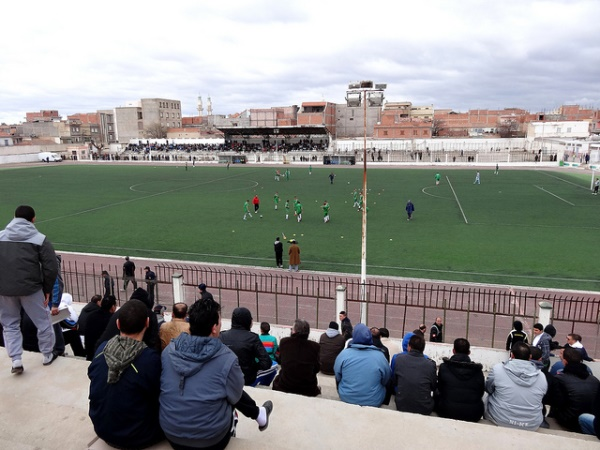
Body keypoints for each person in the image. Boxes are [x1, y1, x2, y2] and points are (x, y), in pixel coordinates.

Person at [160, 298, 273, 449]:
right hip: (211, 441)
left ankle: (259, 415)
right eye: (219, 321)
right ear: (214, 328)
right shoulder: (227, 358)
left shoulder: (168, 351)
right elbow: (236, 394)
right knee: (227, 389)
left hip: (171, 435)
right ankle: (256, 416)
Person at [88, 299, 164, 449]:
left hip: (101, 428)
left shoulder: (102, 349)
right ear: (147, 323)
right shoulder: (150, 359)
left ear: (117, 324)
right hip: (138, 436)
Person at [0, 205, 59, 374]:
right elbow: (51, 267)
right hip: (31, 289)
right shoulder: (40, 239)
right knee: (43, 322)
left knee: (10, 324)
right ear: (33, 219)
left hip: (4, 289)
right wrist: (47, 289)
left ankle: (16, 359)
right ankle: (47, 354)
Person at [485, 342, 548, 431]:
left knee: (486, 396)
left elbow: (488, 389)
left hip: (500, 419)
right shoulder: (541, 376)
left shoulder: (498, 369)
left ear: (512, 355)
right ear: (530, 357)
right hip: (531, 424)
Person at [334, 323, 391, 407]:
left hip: (347, 398)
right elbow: (386, 379)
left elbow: (338, 377)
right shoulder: (380, 357)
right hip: (374, 400)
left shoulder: (344, 354)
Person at [547, 346, 600, 432]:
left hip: (568, 421)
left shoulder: (559, 379)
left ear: (564, 361)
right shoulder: (594, 380)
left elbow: (552, 401)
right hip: (589, 418)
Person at [435, 338, 485, 422]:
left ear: (453, 351)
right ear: (469, 353)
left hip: (446, 411)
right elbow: (481, 392)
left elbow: (440, 388)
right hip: (473, 414)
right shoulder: (477, 371)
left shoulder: (444, 367)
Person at [97, 288, 161, 353]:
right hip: (135, 355)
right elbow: (153, 341)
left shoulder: (120, 312)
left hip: (106, 351)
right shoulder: (149, 314)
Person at [219, 307, 272, 386]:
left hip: (225, 378)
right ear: (248, 321)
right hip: (246, 379)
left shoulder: (221, 336)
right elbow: (267, 363)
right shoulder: (253, 338)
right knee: (274, 367)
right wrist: (253, 367)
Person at [273, 319, 321, 397]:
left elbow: (280, 361)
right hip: (307, 389)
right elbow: (317, 368)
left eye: (291, 329)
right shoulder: (315, 347)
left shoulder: (284, 342)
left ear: (294, 331)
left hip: (285, 386)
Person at [393, 333, 437, 415]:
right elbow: (433, 386)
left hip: (401, 405)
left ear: (409, 346)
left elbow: (395, 381)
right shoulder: (430, 365)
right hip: (424, 408)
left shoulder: (398, 359)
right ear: (423, 348)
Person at [84, 295, 117, 361]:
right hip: (103, 355)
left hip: (90, 352)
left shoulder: (91, 315)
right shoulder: (112, 320)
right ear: (113, 307)